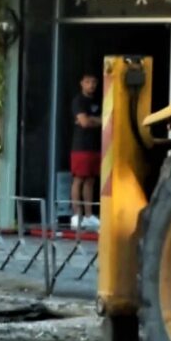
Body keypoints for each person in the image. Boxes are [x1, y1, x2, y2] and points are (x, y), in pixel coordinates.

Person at [70, 72, 102, 231]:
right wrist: (98, 120)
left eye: (94, 82)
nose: (91, 85)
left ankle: (89, 216)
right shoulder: (78, 101)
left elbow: (108, 118)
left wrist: (92, 120)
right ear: (81, 83)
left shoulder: (98, 100)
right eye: (88, 81)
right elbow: (84, 123)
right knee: (79, 179)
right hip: (80, 146)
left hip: (95, 146)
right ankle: (77, 215)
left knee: (91, 180)